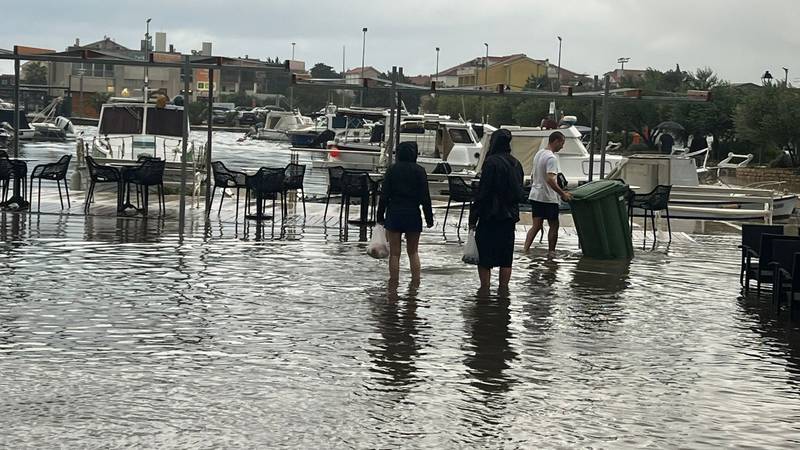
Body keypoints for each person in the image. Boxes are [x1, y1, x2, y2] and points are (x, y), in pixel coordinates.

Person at [468, 129, 526, 290]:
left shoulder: (491, 162)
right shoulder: (516, 164)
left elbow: (484, 192)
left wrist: (473, 217)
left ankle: (484, 291)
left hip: (490, 216)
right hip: (510, 217)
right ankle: (503, 292)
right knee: (506, 258)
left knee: (485, 257)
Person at [377, 142, 434, 281]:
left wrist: (380, 217)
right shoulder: (420, 171)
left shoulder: (392, 170)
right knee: (413, 252)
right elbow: (425, 197)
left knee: (394, 254)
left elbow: (384, 196)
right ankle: (415, 285)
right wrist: (429, 218)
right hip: (413, 214)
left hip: (394, 214)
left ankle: (393, 283)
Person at [524, 131, 573, 255]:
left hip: (535, 195)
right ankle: (551, 252)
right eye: (562, 143)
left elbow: (533, 175)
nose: (562, 146)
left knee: (536, 225)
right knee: (554, 225)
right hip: (548, 197)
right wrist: (562, 194)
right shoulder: (551, 158)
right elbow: (550, 179)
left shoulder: (539, 154)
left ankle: (526, 249)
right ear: (556, 141)